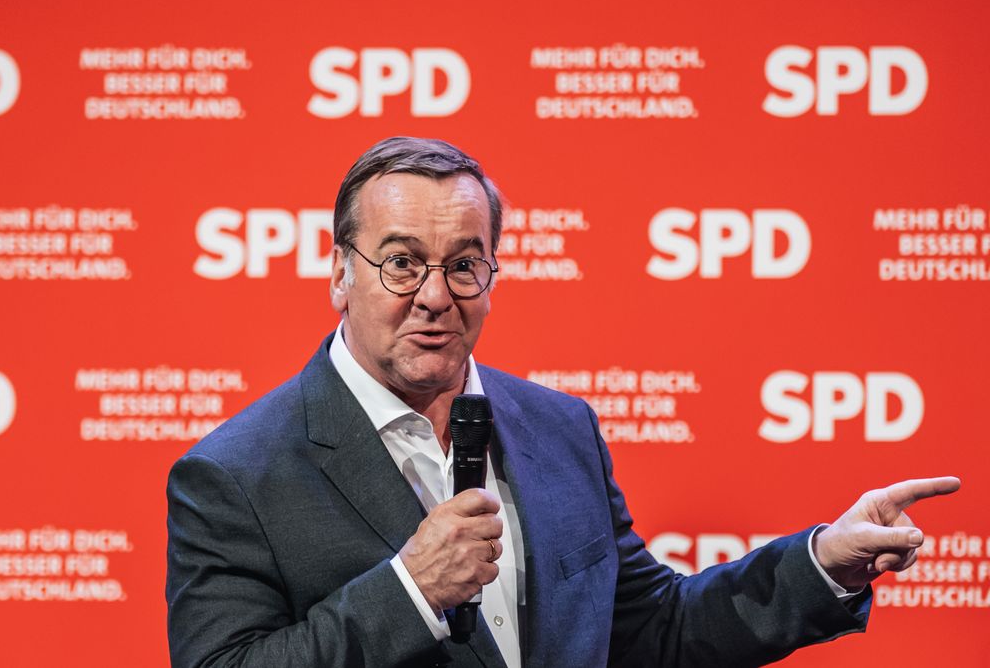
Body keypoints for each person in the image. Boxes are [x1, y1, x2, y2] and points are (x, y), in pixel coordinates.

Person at [166, 136, 960, 668]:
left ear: (493, 275)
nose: (435, 295)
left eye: (465, 264)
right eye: (402, 263)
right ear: (341, 272)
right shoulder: (233, 475)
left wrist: (822, 562)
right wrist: (409, 590)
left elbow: (655, 627)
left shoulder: (559, 427)